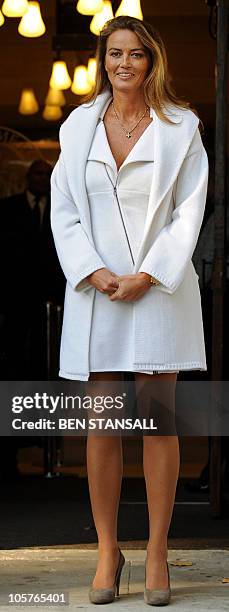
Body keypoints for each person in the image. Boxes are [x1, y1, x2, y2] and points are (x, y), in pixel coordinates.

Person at [51, 15, 208, 606]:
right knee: (102, 425)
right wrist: (93, 270)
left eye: (136, 54)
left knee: (157, 419)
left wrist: (150, 273)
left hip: (158, 287)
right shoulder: (78, 126)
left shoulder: (181, 128)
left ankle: (159, 550)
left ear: (152, 61)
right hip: (97, 289)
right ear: (103, 59)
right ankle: (107, 550)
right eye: (115, 53)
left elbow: (189, 211)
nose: (124, 64)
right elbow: (63, 208)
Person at [0, 160, 65, 481]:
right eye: (37, 173)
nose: (42, 179)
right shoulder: (8, 209)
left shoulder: (63, 211)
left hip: (51, 310)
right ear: (28, 177)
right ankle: (9, 452)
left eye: (47, 174)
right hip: (13, 309)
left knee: (49, 373)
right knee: (12, 372)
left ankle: (51, 451)